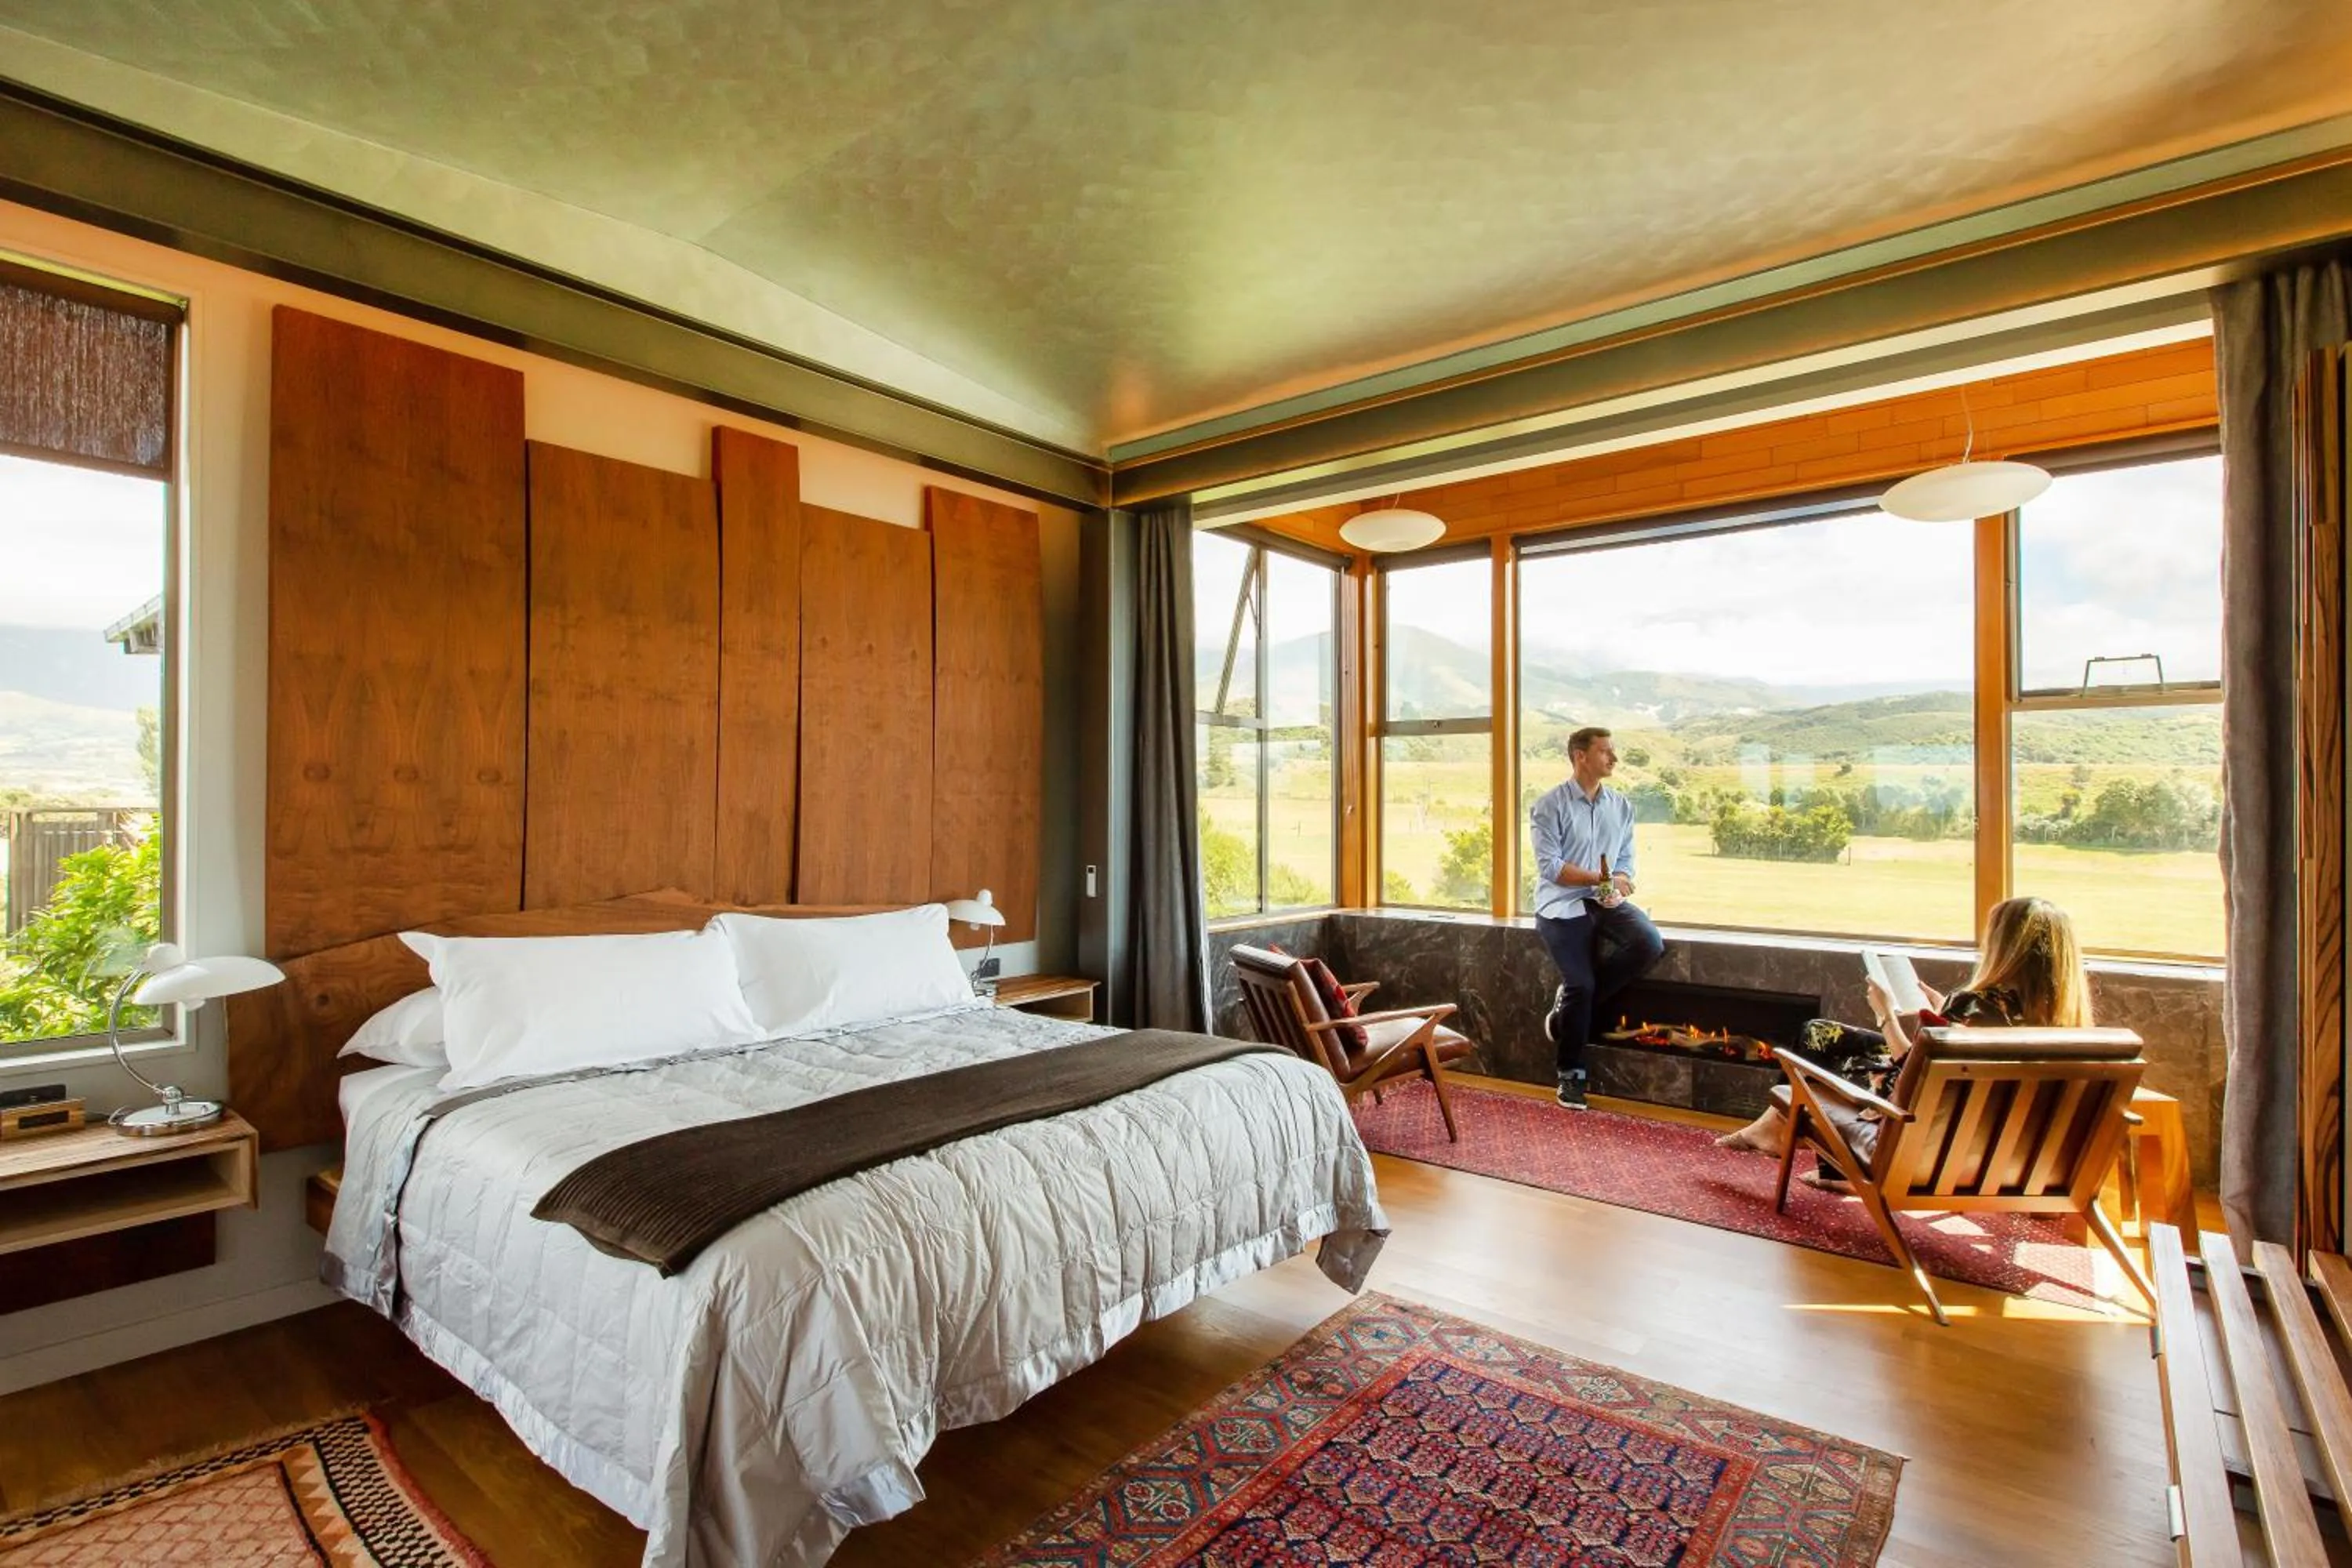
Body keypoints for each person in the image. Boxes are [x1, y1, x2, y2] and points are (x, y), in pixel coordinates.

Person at [1715, 895, 2092, 1161]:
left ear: (2005, 948)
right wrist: (1944, 1011)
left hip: (1924, 1122)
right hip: (1986, 1132)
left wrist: (1885, 1014)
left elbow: (1908, 1073)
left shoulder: (1979, 1002)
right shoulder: (2064, 1020)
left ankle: (1786, 1136)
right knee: (1818, 1030)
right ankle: (1773, 1127)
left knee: (1824, 1054)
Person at [1530, 726, 1664, 1110]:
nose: (1614, 758)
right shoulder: (1548, 806)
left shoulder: (1620, 805)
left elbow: (1625, 860)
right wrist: (1602, 878)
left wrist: (1621, 882)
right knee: (1582, 985)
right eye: (1605, 751)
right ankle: (1570, 1076)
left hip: (1605, 902)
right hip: (1560, 905)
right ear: (1580, 756)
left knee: (1648, 943)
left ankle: (1570, 1008)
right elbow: (1551, 868)